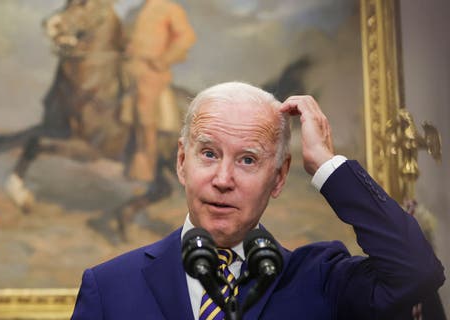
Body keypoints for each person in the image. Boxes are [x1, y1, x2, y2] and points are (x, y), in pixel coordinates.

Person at [71, 82, 445, 319]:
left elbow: (417, 272)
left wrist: (328, 166)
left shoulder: (320, 280)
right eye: (209, 154)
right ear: (182, 161)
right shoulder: (109, 288)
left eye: (247, 160)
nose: (223, 180)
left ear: (279, 177)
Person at [120, 0, 196, 182]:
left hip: (151, 71)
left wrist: (164, 59)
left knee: (144, 114)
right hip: (127, 68)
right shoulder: (135, 10)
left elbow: (186, 37)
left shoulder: (170, 9)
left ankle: (145, 168)